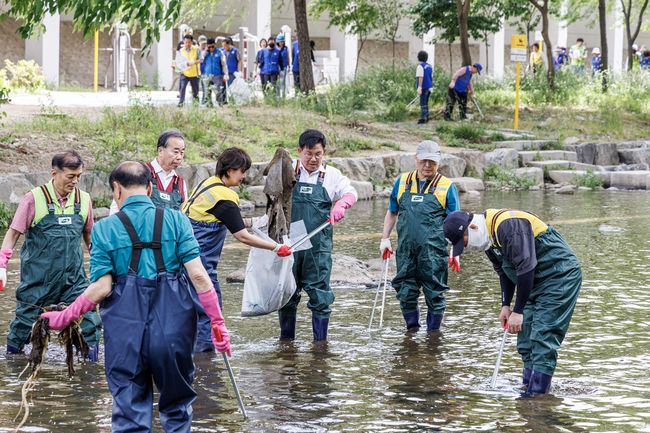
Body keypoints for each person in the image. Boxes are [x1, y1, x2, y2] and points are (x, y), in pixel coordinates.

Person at [40, 161, 232, 431]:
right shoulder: (177, 220)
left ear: (116, 190)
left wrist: (64, 317)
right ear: (150, 188)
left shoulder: (104, 229)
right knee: (177, 408)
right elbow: (199, 276)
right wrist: (217, 322)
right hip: (174, 329)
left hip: (125, 333)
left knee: (129, 412)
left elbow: (102, 288)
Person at [443, 209, 582, 396]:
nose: (467, 247)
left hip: (558, 276)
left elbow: (526, 266)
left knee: (542, 335)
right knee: (525, 339)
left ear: (473, 227)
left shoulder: (508, 227)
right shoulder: (488, 239)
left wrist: (518, 311)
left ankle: (537, 397)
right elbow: (504, 271)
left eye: (464, 242)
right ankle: (527, 390)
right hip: (533, 281)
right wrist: (506, 305)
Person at [182, 147, 292, 352]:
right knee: (210, 314)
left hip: (182, 262)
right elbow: (242, 236)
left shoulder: (208, 184)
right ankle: (206, 359)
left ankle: (192, 358)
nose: (244, 176)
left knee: (191, 314)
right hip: (201, 266)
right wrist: (277, 247)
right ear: (230, 169)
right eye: (242, 171)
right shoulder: (224, 197)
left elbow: (225, 219)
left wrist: (255, 222)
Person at [0, 151, 102, 360]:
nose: (75, 181)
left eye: (79, 176)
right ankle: (12, 361)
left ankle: (90, 367)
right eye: (71, 176)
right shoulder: (33, 199)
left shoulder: (84, 200)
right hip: (38, 282)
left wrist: (101, 266)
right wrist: (2, 265)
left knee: (90, 323)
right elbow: (13, 234)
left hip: (74, 281)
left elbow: (89, 236)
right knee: (23, 327)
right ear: (54, 173)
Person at [278, 129, 358, 342]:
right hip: (291, 243)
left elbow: (351, 192)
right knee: (287, 293)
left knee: (320, 295)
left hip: (318, 246)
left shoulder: (331, 175)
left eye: (318, 154)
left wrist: (342, 204)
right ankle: (286, 343)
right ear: (299, 151)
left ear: (324, 153)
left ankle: (320, 346)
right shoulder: (288, 170)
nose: (313, 159)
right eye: (309, 154)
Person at [380, 140, 460, 332]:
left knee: (435, 294)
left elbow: (456, 222)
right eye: (424, 161)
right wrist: (385, 238)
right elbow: (392, 212)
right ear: (416, 159)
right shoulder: (402, 182)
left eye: (432, 162)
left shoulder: (447, 186)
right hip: (406, 250)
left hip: (433, 252)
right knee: (405, 292)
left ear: (438, 161)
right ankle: (412, 332)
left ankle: (433, 337)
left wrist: (456, 250)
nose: (427, 165)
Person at [110, 129, 188, 214]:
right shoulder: (139, 173)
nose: (179, 157)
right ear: (160, 151)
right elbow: (117, 206)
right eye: (176, 152)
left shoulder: (180, 182)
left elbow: (184, 214)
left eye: (182, 153)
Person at [177, 34, 202, 106]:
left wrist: (193, 62)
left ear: (192, 42)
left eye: (189, 42)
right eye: (186, 42)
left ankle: (196, 104)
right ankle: (181, 103)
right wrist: (177, 68)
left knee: (195, 91)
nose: (187, 44)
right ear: (183, 42)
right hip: (184, 73)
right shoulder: (181, 50)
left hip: (194, 74)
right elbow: (178, 61)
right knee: (182, 88)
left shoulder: (197, 49)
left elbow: (201, 59)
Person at [203, 38, 229, 106]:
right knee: (207, 92)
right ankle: (209, 105)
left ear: (215, 45)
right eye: (209, 47)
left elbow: (224, 64)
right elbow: (201, 59)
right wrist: (205, 51)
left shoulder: (219, 52)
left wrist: (226, 74)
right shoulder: (205, 53)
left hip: (217, 75)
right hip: (207, 75)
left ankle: (220, 104)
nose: (211, 48)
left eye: (212, 46)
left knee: (218, 92)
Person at [415, 50, 434, 124]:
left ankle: (423, 118)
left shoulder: (420, 66)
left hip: (423, 87)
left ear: (419, 57)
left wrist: (419, 87)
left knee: (423, 103)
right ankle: (427, 116)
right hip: (429, 86)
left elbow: (420, 77)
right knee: (426, 102)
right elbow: (430, 76)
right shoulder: (429, 66)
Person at [277, 33, 290, 99]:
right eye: (280, 41)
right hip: (277, 67)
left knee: (283, 81)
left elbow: (288, 57)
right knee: (277, 82)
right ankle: (277, 96)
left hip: (284, 66)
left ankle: (283, 96)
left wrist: (289, 66)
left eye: (282, 41)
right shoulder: (276, 48)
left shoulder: (286, 48)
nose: (281, 43)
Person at [198, 35, 208, 105]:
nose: (204, 45)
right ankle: (196, 100)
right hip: (197, 71)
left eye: (205, 43)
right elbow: (201, 58)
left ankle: (203, 101)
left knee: (205, 87)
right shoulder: (196, 50)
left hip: (205, 71)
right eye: (202, 43)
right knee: (196, 87)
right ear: (199, 43)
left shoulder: (207, 51)